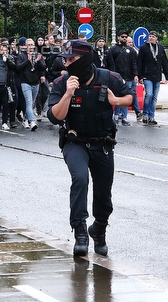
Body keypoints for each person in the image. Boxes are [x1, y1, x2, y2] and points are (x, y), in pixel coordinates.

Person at [47, 39, 133, 257]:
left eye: (72, 59)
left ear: (85, 59)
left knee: (104, 194)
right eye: (65, 60)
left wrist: (116, 100)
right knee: (80, 179)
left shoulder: (108, 78)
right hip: (75, 141)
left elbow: (130, 97)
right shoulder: (61, 82)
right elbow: (55, 117)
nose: (67, 64)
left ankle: (100, 230)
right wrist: (67, 94)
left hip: (102, 143)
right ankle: (80, 232)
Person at [136, 31, 168, 126]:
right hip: (147, 76)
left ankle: (152, 116)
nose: (151, 38)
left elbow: (165, 62)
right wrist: (140, 76)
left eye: (153, 36)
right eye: (150, 36)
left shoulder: (160, 48)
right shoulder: (144, 48)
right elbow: (139, 63)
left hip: (157, 76)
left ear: (157, 38)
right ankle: (146, 114)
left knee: (155, 97)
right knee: (149, 95)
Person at [108, 32, 140, 125]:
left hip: (129, 77)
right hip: (117, 77)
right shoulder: (113, 49)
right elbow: (111, 63)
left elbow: (134, 64)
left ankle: (125, 117)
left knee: (126, 97)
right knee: (117, 97)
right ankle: (116, 116)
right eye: (122, 37)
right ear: (118, 37)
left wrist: (135, 74)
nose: (124, 38)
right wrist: (113, 75)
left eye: (126, 37)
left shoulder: (131, 51)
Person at [15, 39, 46, 131]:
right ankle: (32, 122)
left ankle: (25, 119)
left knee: (32, 103)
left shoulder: (38, 55)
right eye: (29, 44)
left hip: (35, 83)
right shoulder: (21, 56)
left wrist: (39, 61)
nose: (31, 46)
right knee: (29, 103)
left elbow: (43, 68)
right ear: (25, 46)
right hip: (25, 82)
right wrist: (27, 61)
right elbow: (18, 68)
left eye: (32, 44)